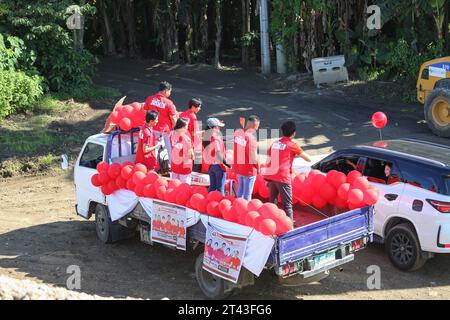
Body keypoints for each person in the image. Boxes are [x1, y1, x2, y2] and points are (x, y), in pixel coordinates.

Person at [263, 121, 311, 220]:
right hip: (283, 177)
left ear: (282, 131)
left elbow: (268, 160)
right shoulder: (292, 145)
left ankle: (272, 222)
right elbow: (308, 159)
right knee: (287, 204)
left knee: (272, 202)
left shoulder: (275, 143)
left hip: (271, 175)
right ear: (294, 133)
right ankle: (290, 227)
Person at [144, 81, 178, 161]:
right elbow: (173, 118)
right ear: (165, 90)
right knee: (170, 149)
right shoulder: (169, 103)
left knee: (154, 149)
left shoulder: (150, 99)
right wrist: (176, 129)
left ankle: (153, 167)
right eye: (170, 91)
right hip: (166, 131)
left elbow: (144, 111)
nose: (170, 93)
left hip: (152, 129)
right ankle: (172, 167)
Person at [233, 115, 260, 201]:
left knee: (240, 190)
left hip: (239, 168)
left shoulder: (237, 133)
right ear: (254, 126)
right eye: (257, 128)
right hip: (249, 170)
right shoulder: (251, 139)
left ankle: (237, 207)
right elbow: (254, 158)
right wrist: (258, 168)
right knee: (247, 195)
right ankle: (244, 210)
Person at [203, 118, 231, 195]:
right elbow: (218, 154)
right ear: (214, 127)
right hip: (219, 166)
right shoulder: (215, 138)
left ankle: (208, 203)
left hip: (211, 166)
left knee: (212, 187)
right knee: (220, 189)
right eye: (218, 126)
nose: (219, 128)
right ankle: (219, 204)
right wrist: (228, 164)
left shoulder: (207, 136)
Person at [180, 98, 204, 172]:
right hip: (191, 143)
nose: (199, 109)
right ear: (193, 107)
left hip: (182, 141)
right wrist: (203, 132)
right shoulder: (193, 117)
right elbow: (194, 133)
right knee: (196, 163)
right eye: (198, 107)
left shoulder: (183, 114)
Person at [170, 118, 194, 184]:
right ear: (183, 127)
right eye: (187, 125)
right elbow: (191, 155)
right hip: (184, 168)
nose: (188, 127)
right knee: (184, 189)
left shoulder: (172, 135)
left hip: (174, 166)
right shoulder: (186, 139)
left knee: (174, 186)